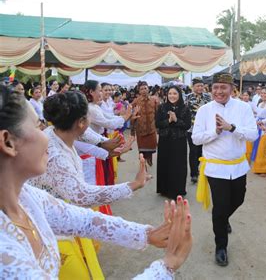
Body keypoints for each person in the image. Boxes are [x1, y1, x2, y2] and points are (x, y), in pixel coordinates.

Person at [0, 85, 192, 279]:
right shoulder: (5, 255)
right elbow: (81, 196)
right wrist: (167, 266)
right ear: (8, 142)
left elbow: (83, 220)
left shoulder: (25, 196)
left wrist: (146, 234)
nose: (45, 133)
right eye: (37, 126)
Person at [29, 91, 150, 277]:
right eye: (87, 117)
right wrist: (133, 184)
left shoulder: (55, 132)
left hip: (57, 212)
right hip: (48, 226)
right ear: (81, 122)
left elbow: (85, 135)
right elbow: (82, 196)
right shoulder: (56, 156)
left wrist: (104, 144)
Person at [192, 73, 258, 267]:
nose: (219, 91)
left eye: (223, 87)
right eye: (216, 88)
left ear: (232, 89)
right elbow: (196, 138)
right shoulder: (204, 110)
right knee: (220, 207)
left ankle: (223, 219)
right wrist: (215, 132)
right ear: (211, 89)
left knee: (239, 199)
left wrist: (232, 128)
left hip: (238, 166)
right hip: (215, 167)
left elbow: (253, 134)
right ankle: (221, 247)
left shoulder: (243, 108)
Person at [156, 86, 191, 199]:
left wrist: (176, 120)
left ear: (179, 95)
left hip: (179, 141)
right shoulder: (162, 107)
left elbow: (187, 125)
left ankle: (178, 190)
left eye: (175, 93)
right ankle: (164, 189)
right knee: (164, 163)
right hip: (165, 141)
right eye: (170, 93)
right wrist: (168, 121)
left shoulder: (185, 108)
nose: (172, 96)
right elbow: (158, 124)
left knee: (178, 165)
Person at [185, 77, 212, 184]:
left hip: (204, 129)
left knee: (201, 151)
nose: (200, 87)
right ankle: (194, 174)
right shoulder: (187, 97)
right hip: (191, 128)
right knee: (193, 151)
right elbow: (185, 112)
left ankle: (197, 168)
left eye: (201, 85)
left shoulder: (208, 97)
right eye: (198, 86)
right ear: (193, 87)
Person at [131, 81, 159, 166]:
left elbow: (157, 114)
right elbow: (132, 116)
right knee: (142, 150)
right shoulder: (136, 102)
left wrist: (158, 128)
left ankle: (149, 158)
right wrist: (132, 131)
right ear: (139, 91)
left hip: (151, 129)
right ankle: (143, 166)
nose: (143, 90)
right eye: (141, 89)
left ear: (148, 89)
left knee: (151, 147)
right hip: (141, 130)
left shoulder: (154, 100)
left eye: (145, 88)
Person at [250, 86, 266, 175]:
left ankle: (264, 170)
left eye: (265, 93)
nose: (263, 95)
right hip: (259, 127)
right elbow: (257, 114)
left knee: (263, 149)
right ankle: (258, 168)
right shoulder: (260, 104)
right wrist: (255, 120)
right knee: (258, 148)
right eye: (262, 93)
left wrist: (261, 122)